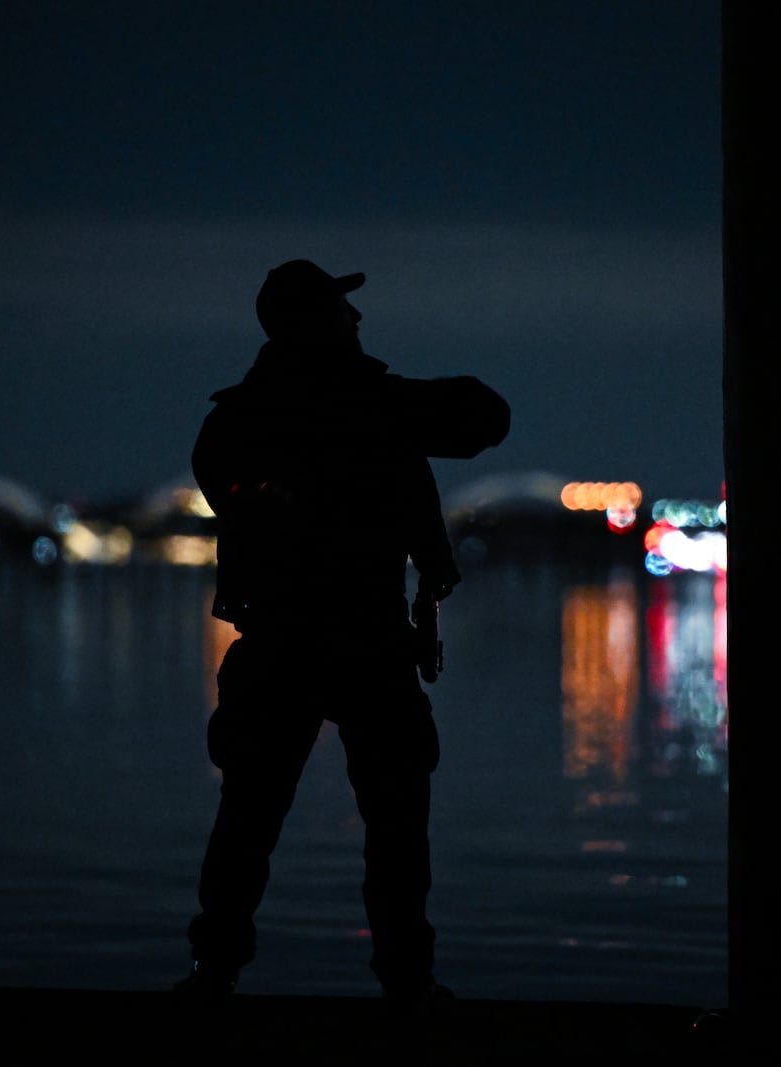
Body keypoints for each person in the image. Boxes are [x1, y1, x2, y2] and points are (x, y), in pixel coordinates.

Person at [178, 259, 510, 1015]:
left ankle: (211, 976)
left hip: (278, 642)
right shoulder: (376, 406)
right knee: (395, 829)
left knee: (246, 822)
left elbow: (228, 492)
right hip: (363, 640)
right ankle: (406, 984)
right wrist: (380, 404)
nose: (359, 321)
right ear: (317, 321)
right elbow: (487, 417)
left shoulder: (235, 419)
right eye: (342, 309)